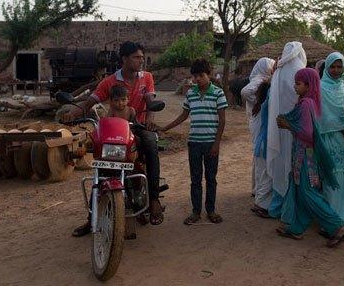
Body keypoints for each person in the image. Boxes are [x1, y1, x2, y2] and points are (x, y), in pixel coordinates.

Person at [67, 41, 163, 237]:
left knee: (152, 146)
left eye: (142, 57)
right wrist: (74, 112)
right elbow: (92, 100)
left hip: (137, 126)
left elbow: (150, 101)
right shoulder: (110, 81)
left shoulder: (147, 78)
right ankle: (91, 218)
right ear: (124, 59)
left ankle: (153, 200)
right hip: (114, 131)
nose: (141, 61)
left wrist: (150, 120)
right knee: (101, 166)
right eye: (137, 57)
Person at [275, 68, 344, 247]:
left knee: (308, 192)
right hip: (303, 154)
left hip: (305, 156)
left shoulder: (306, 103)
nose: (295, 86)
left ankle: (337, 226)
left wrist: (288, 125)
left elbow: (308, 134)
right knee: (300, 191)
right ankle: (296, 228)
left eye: (298, 83)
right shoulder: (310, 101)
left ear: (309, 85)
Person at [160, 59, 228, 225]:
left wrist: (216, 144)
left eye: (201, 75)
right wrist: (165, 128)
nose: (197, 79)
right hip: (194, 144)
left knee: (211, 179)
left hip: (211, 144)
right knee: (195, 179)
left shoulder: (218, 93)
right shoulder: (190, 94)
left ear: (209, 75)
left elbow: (222, 121)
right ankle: (196, 212)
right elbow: (183, 116)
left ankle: (211, 210)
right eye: (195, 76)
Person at [267, 42, 307, 217]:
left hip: (279, 126)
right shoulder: (301, 72)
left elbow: (272, 102)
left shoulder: (279, 72)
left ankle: (277, 207)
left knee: (281, 164)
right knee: (295, 167)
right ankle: (294, 209)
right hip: (297, 129)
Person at [318, 52, 344, 225]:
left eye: (339, 66)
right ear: (326, 68)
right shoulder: (320, 87)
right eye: (332, 66)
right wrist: (339, 128)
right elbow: (320, 116)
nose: (335, 70)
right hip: (329, 139)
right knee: (332, 180)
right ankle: (333, 221)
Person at [241, 57, 276, 216]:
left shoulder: (260, 79)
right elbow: (245, 91)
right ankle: (261, 196)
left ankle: (256, 190)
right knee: (261, 157)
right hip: (259, 122)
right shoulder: (260, 79)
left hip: (257, 121)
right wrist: (258, 101)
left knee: (258, 156)